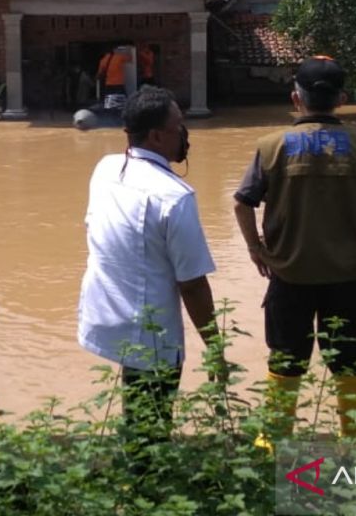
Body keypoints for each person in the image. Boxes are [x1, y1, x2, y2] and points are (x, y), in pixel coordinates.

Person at [233, 56, 356, 438]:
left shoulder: (271, 146)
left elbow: (242, 202)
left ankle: (275, 440)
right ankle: (350, 438)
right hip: (347, 275)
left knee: (286, 357)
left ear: (297, 99)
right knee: (347, 357)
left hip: (289, 273)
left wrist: (256, 248)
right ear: (341, 99)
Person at [77, 86, 219, 443]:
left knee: (136, 414)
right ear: (157, 136)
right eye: (179, 126)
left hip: (108, 318)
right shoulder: (175, 197)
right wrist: (215, 348)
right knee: (152, 430)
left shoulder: (106, 169)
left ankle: (134, 475)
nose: (184, 134)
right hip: (153, 337)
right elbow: (192, 283)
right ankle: (145, 485)